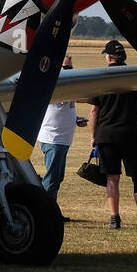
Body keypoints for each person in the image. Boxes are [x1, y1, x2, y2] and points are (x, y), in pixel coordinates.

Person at [88, 40, 137, 231]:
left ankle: (115, 219)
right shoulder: (134, 76)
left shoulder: (100, 78)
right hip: (131, 134)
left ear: (108, 57)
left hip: (106, 135)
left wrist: (93, 136)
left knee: (112, 178)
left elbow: (94, 111)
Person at [36, 55, 88, 217]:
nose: (69, 70)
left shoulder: (66, 84)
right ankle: (44, 213)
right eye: (66, 67)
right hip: (53, 139)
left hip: (62, 139)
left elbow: (65, 109)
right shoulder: (55, 84)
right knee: (51, 179)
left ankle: (51, 210)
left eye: (70, 68)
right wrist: (100, 93)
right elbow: (81, 98)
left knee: (57, 179)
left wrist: (76, 119)